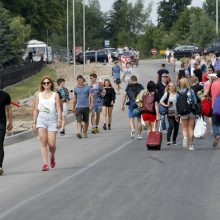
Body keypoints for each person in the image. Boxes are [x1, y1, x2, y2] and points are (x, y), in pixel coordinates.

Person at [32, 76, 62, 171]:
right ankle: (45, 163)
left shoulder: (55, 95)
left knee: (52, 144)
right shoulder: (39, 95)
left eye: (48, 82)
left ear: (51, 84)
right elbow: (36, 110)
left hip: (52, 121)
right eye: (44, 83)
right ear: (42, 85)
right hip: (41, 120)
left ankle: (52, 156)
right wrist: (34, 122)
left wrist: (59, 119)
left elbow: (58, 108)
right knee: (43, 141)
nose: (46, 84)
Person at [177, 78, 197, 150]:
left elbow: (177, 103)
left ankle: (185, 137)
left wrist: (177, 114)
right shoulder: (191, 91)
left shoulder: (178, 92)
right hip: (191, 111)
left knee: (184, 128)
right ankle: (191, 146)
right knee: (191, 128)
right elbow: (195, 101)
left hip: (183, 112)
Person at [0, 88, 13, 175]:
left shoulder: (5, 95)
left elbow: (9, 110)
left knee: (0, 144)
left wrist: (10, 122)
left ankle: (0, 166)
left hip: (1, 123)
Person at [209, 71, 220, 147]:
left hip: (215, 107)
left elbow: (208, 94)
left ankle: (217, 135)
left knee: (215, 124)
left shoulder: (213, 84)